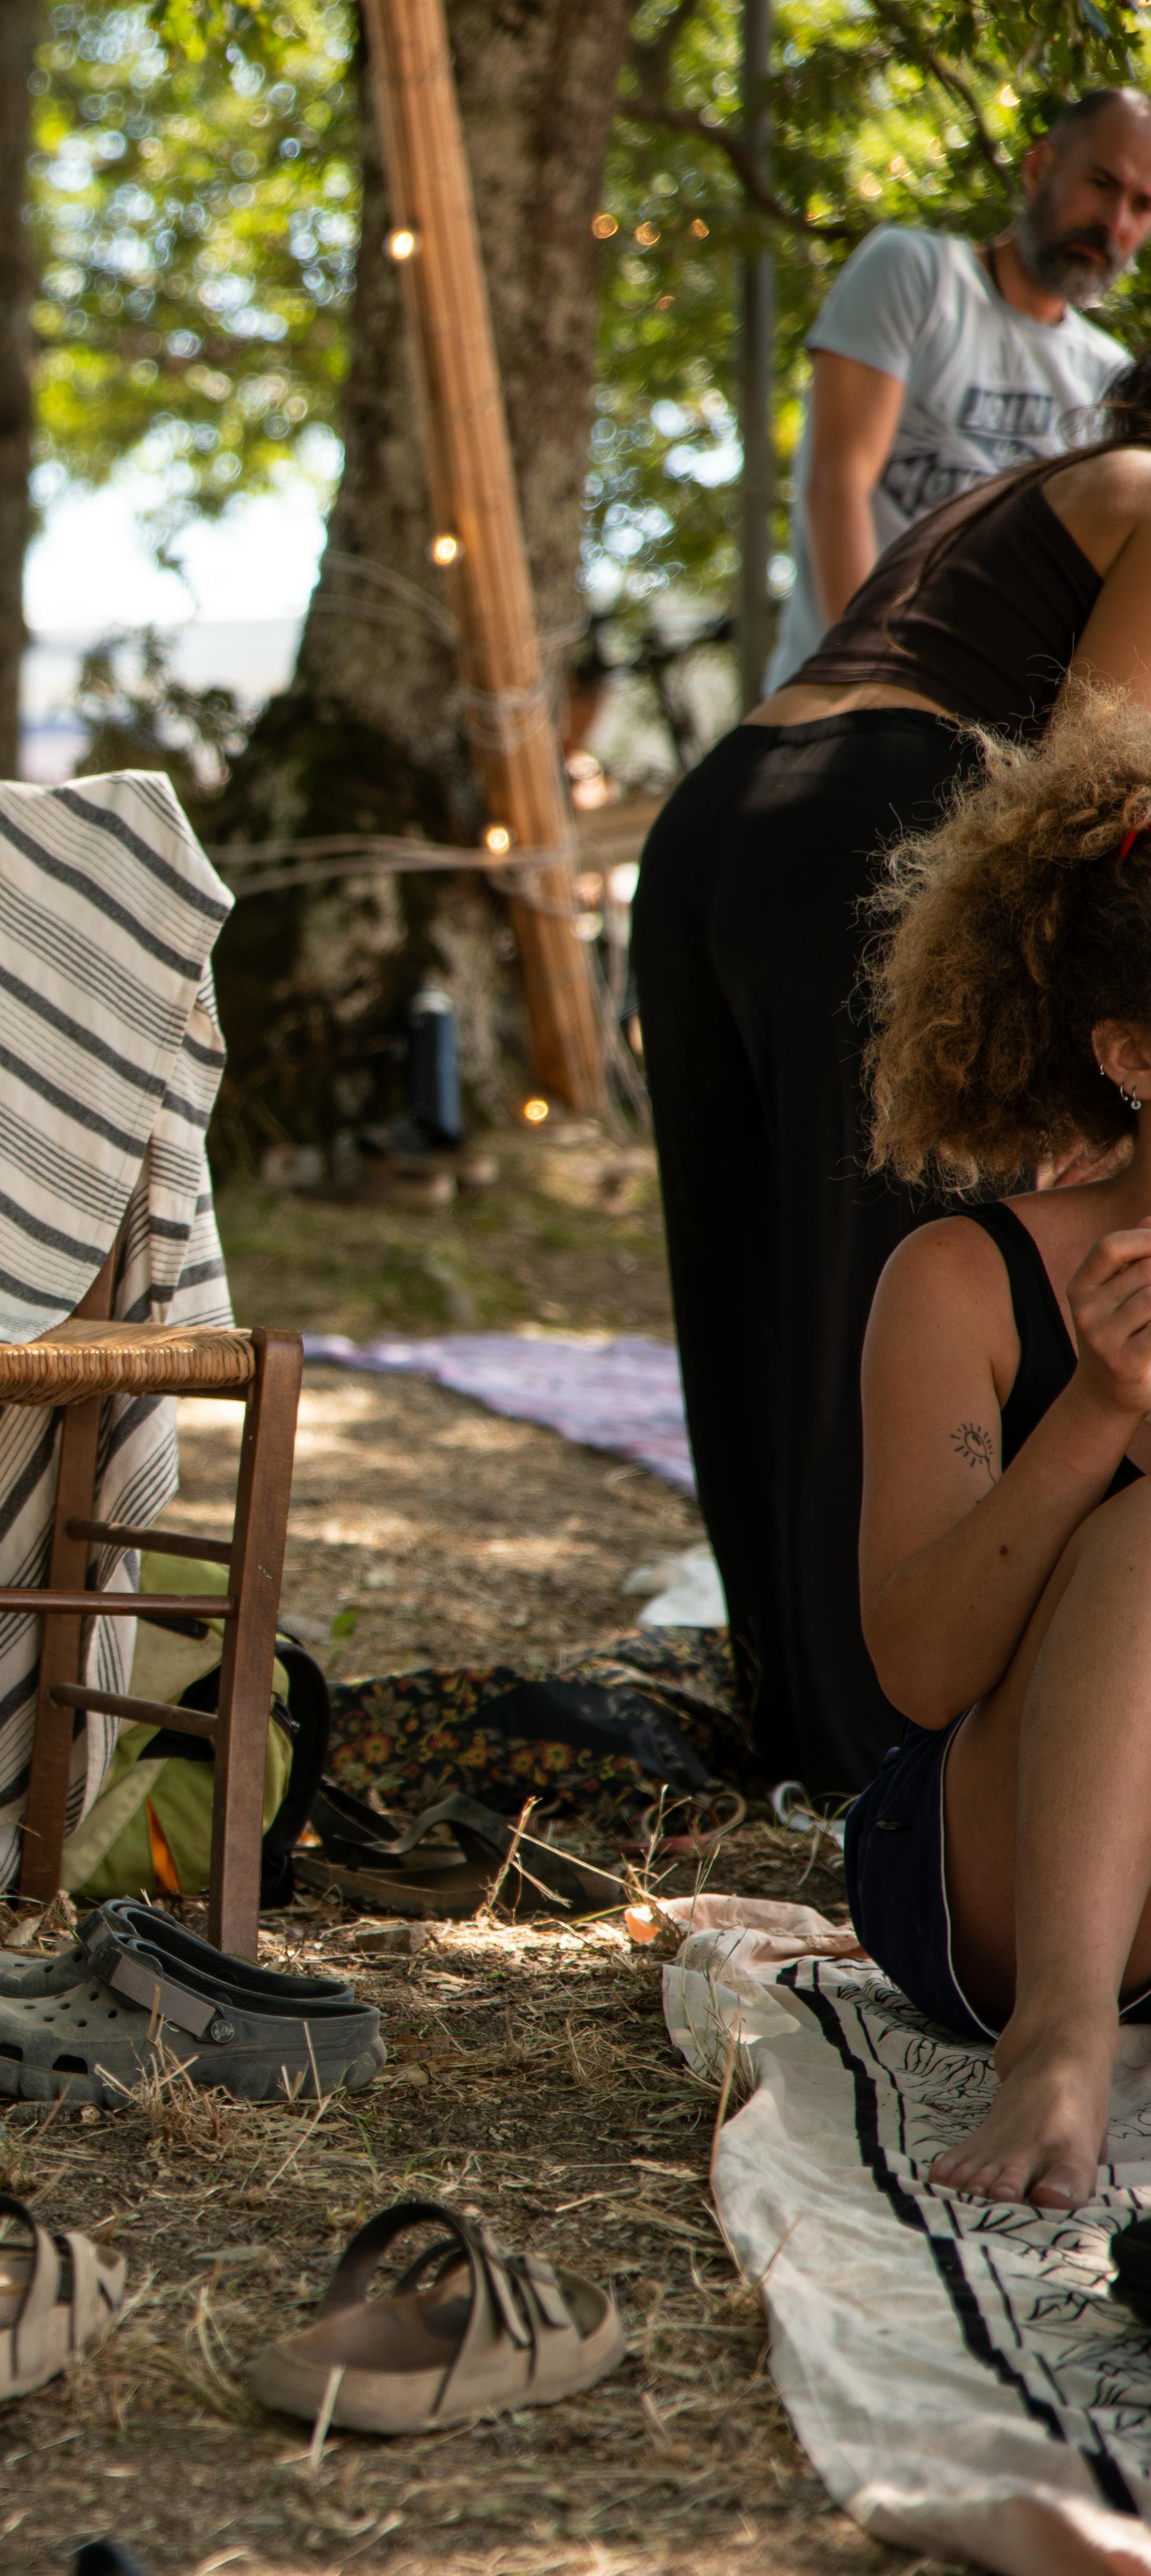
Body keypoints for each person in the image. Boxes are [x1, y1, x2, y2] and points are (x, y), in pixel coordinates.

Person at [641, 356, 1151, 1789]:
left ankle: (793, 1719)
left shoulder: (1030, 491)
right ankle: (876, 1753)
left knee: (759, 1292)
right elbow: (1090, 791)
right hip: (865, 849)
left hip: (717, 822)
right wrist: (1070, 1075)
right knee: (886, 1292)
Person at [851, 692, 1151, 2206]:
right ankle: (1061, 2048)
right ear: (1131, 1054)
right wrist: (1097, 1414)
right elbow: (915, 1671)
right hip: (982, 1877)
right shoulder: (969, 1282)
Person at [768, 90, 1151, 688]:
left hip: (990, 747)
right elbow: (835, 484)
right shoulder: (915, 274)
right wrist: (860, 691)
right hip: (843, 704)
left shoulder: (1108, 374)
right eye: (1100, 184)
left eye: (1142, 205)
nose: (1115, 223)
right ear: (1038, 167)